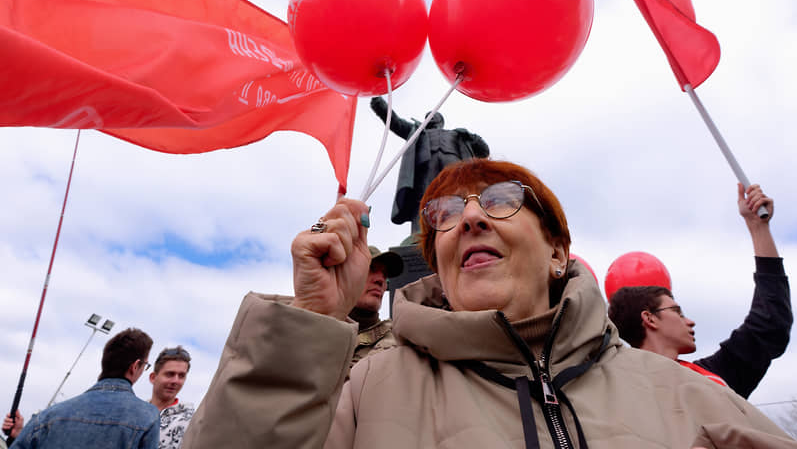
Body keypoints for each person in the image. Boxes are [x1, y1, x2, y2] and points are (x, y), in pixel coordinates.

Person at [182, 159, 796, 448]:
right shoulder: (369, 388)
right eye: (443, 215)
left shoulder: (685, 391)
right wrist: (310, 325)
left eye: (502, 199)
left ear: (558, 250)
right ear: (443, 270)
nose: (470, 216)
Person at [608, 184, 791, 399]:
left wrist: (758, 228)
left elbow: (769, 324)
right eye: (678, 312)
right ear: (649, 318)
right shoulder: (618, 392)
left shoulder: (711, 378)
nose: (690, 321)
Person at [12, 327, 159, 449]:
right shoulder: (147, 416)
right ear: (135, 366)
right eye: (145, 366)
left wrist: (15, 436)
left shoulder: (48, 416)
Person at [370, 96, 489, 236]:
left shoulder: (456, 135)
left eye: (434, 116)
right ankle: (420, 232)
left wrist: (471, 136)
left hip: (453, 164)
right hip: (425, 164)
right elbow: (395, 122)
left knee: (455, 195)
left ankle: (458, 225)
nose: (431, 118)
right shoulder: (417, 131)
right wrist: (379, 104)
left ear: (441, 121)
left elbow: (483, 151)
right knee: (424, 196)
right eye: (428, 116)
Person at [348, 246, 403, 370]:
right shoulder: (313, 329)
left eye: (385, 274)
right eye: (371, 269)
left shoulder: (399, 343)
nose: (381, 280)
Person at [149, 346, 194, 449]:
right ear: (153, 377)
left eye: (181, 376)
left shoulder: (191, 423)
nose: (176, 381)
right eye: (170, 374)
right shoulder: (135, 414)